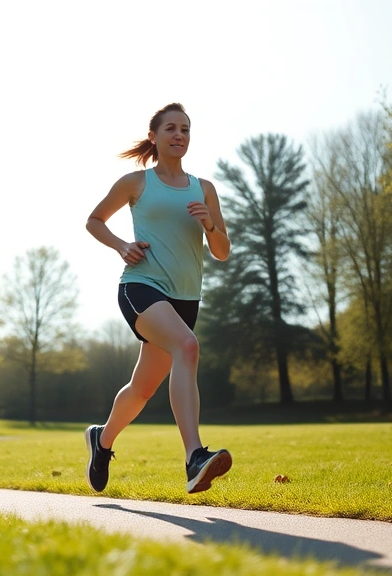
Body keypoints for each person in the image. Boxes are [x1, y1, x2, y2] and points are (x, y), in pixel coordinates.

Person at [84, 103, 232, 494]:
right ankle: (194, 457)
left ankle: (102, 441)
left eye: (185, 129)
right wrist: (121, 246)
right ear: (154, 136)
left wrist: (210, 223)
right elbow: (94, 220)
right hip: (141, 286)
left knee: (143, 388)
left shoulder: (205, 189)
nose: (179, 135)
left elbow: (221, 250)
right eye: (170, 128)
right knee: (187, 346)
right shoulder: (137, 183)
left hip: (185, 299)